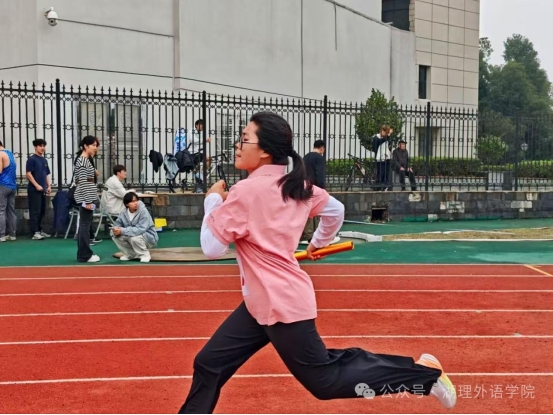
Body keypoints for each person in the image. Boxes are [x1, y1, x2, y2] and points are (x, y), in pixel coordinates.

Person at [177, 112, 456, 413]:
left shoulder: (246, 192)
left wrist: (212, 200)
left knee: (325, 380)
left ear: (265, 150)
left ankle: (425, 376)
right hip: (262, 302)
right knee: (209, 363)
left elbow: (211, 248)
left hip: (280, 304)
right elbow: (336, 211)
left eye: (244, 139)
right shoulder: (297, 185)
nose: (237, 145)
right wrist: (318, 243)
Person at [73, 136, 101, 263]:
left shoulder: (85, 160)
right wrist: (88, 201)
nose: (95, 148)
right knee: (84, 226)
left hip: (87, 196)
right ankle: (85, 255)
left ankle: (84, 254)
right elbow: (83, 182)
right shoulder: (83, 161)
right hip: (86, 197)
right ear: (85, 146)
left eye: (96, 145)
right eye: (93, 145)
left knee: (84, 225)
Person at [110, 192, 158, 263]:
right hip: (132, 235)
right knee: (114, 234)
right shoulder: (123, 213)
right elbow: (118, 223)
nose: (136, 203)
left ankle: (144, 255)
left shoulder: (143, 211)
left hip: (148, 238)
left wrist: (122, 230)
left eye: (136, 200)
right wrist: (116, 229)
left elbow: (141, 229)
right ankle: (130, 254)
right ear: (127, 204)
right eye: (132, 202)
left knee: (134, 237)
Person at [25, 139, 51, 239]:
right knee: (35, 211)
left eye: (44, 146)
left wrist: (48, 186)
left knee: (42, 211)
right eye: (40, 146)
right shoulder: (31, 160)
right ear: (35, 147)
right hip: (33, 190)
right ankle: (34, 232)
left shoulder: (44, 160)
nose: (42, 148)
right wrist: (36, 185)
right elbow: (28, 174)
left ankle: (39, 230)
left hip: (42, 189)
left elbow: (46, 174)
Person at [0, 140, 17, 242]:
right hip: (12, 186)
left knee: (1, 210)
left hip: (2, 184)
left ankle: (1, 235)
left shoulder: (0, 154)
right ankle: (12, 234)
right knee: (11, 210)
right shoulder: (11, 154)